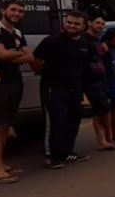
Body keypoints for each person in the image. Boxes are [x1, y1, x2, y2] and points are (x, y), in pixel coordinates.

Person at [33, 11, 91, 168]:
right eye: (69, 22)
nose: (71, 26)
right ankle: (51, 156)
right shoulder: (52, 41)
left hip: (75, 89)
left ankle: (67, 152)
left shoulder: (84, 42)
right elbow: (36, 60)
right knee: (56, 122)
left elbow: (83, 65)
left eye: (76, 24)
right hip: (54, 88)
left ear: (83, 26)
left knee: (74, 119)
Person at [0, 0, 35, 183]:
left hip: (14, 81)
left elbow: (31, 56)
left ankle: (0, 163)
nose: (17, 13)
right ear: (3, 10)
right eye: (13, 9)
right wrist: (18, 53)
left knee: (5, 127)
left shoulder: (17, 32)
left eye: (21, 11)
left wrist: (12, 53)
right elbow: (2, 54)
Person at [83, 16, 115, 151]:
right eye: (97, 22)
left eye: (103, 24)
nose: (100, 25)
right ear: (90, 23)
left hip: (101, 78)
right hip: (90, 79)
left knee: (100, 110)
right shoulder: (84, 39)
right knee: (103, 109)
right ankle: (106, 138)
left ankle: (104, 140)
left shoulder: (97, 39)